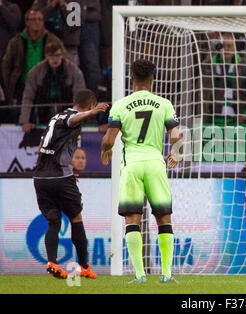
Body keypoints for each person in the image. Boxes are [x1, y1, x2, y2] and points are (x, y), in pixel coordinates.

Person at [100, 59, 182, 284]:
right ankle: (166, 274)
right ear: (152, 79)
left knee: (132, 218)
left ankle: (140, 275)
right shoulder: (163, 103)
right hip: (155, 163)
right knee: (163, 217)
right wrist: (175, 152)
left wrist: (105, 151)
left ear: (131, 79)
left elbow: (109, 138)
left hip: (132, 165)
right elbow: (175, 136)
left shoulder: (120, 105)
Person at [33, 89, 108, 279]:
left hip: (41, 177)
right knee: (76, 218)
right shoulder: (71, 116)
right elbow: (73, 120)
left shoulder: (55, 117)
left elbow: (42, 146)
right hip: (60, 177)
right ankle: (84, 266)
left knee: (53, 221)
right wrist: (92, 113)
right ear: (89, 105)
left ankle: (52, 262)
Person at [2, 8, 63, 124]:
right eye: (33, 19)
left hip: (47, 87)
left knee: (47, 121)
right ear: (27, 22)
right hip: (22, 87)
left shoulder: (52, 40)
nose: (37, 22)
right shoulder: (16, 41)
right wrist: (8, 86)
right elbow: (6, 66)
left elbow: (64, 61)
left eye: (40, 19)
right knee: (22, 121)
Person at [19, 40, 86, 133]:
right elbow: (28, 97)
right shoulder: (35, 72)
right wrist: (25, 121)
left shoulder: (74, 71)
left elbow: (80, 98)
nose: (55, 59)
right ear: (46, 56)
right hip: (42, 112)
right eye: (51, 56)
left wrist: (77, 119)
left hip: (67, 110)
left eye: (57, 55)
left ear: (62, 55)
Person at [202, 32, 246, 124]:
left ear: (234, 48)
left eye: (229, 46)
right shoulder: (208, 65)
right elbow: (201, 91)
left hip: (236, 117)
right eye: (223, 46)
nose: (226, 49)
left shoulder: (243, 66)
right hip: (212, 116)